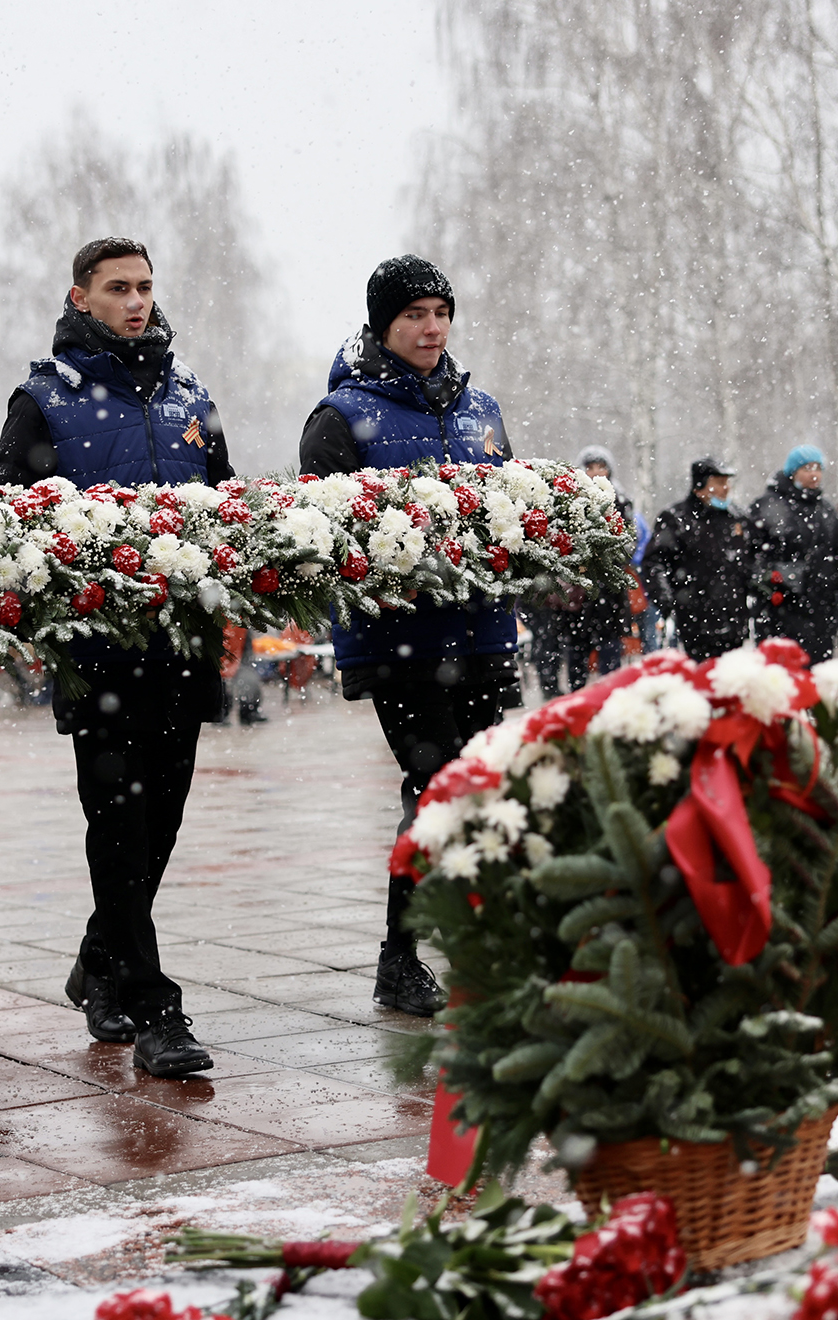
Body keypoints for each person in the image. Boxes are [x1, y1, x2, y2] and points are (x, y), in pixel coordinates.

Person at [0, 235, 229, 1076]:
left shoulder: (189, 396)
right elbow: (7, 524)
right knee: (118, 821)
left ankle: (100, 962)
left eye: (145, 288)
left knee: (157, 824)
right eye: (118, 288)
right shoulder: (45, 401)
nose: (136, 302)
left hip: (182, 648)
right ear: (80, 296)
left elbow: (225, 504)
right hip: (99, 655)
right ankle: (153, 1003)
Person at [299, 253, 518, 1019]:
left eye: (440, 313)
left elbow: (512, 512)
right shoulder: (343, 418)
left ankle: (465, 938)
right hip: (402, 646)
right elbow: (324, 538)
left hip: (483, 633)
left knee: (478, 788)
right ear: (382, 326)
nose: (431, 329)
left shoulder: (480, 409)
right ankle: (401, 956)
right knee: (435, 788)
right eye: (412, 316)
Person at [747, 445, 838, 663]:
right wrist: (771, 579)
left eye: (818, 468)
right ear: (793, 472)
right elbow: (750, 553)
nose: (814, 474)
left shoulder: (826, 510)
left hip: (821, 609)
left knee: (817, 673)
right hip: (780, 608)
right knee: (781, 674)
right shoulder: (768, 506)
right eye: (807, 468)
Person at [646, 456, 752, 660]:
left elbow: (752, 557)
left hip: (734, 618)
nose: (726, 488)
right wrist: (663, 595)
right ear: (699, 487)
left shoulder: (738, 517)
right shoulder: (676, 518)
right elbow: (654, 561)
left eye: (727, 482)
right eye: (719, 482)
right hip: (694, 620)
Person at [564, 444, 633, 685]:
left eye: (601, 467)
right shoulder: (570, 500)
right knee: (576, 653)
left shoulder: (620, 501)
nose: (595, 473)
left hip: (609, 592)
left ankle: (611, 703)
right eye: (590, 467)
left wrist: (606, 558)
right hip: (578, 591)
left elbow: (628, 544)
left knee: (611, 654)